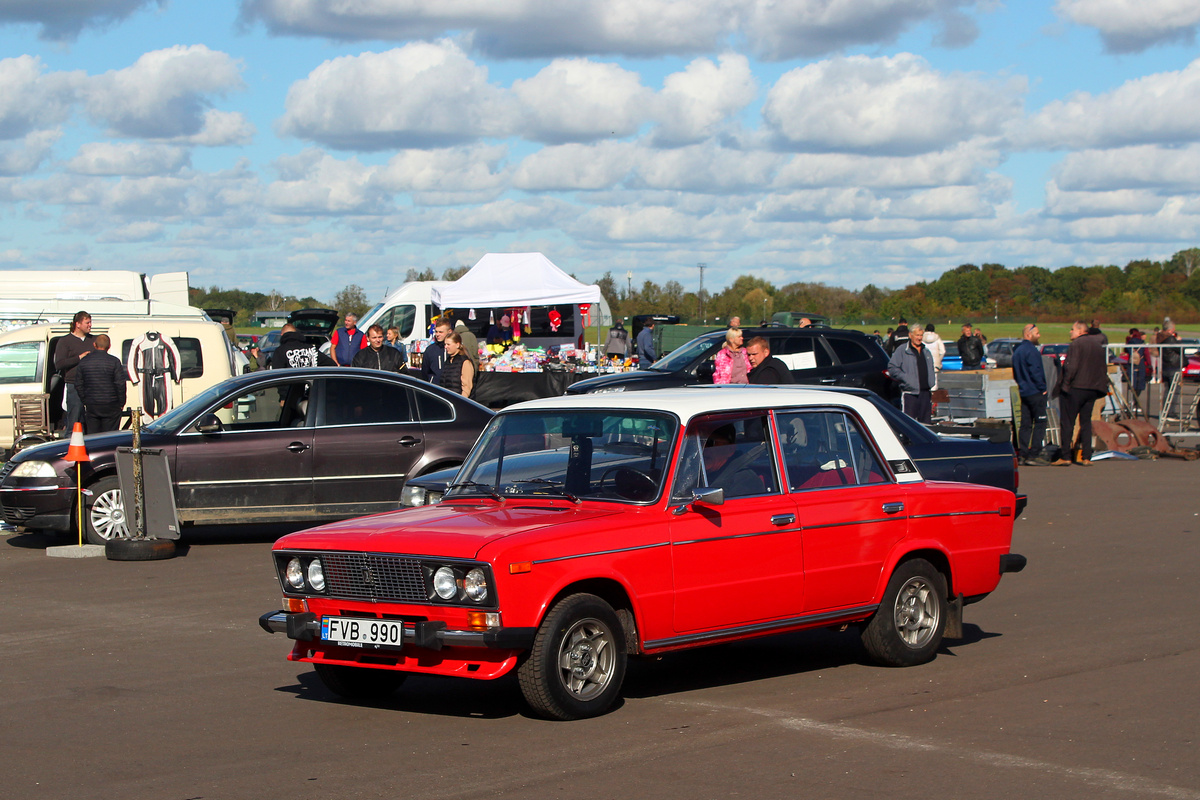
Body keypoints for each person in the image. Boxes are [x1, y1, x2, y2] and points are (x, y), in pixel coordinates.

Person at [1052, 321, 1108, 466]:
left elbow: (1072, 366)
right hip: (1092, 389)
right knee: (1086, 422)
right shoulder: (1097, 345)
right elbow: (1102, 368)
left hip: (1076, 387)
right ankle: (1086, 457)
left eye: (1072, 329)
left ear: (1080, 331)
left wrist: (1065, 386)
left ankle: (1065, 456)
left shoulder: (1076, 344)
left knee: (1067, 422)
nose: (1070, 332)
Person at [73, 334, 127, 434]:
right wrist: (121, 402)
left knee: (93, 436)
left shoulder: (84, 361)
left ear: (94, 344)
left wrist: (85, 399)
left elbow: (78, 383)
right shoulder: (114, 362)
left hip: (92, 404)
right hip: (111, 404)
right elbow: (120, 384)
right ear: (109, 346)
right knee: (110, 436)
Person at [1012, 324, 1049, 465]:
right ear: (1029, 334)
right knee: (1040, 422)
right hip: (1035, 391)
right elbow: (1036, 371)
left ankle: (1023, 453)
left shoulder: (1018, 351)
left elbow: (1016, 373)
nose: (1039, 336)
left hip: (1024, 391)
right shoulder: (1031, 351)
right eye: (1037, 333)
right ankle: (1034, 454)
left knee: (1025, 424)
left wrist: (1021, 384)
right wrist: (1042, 387)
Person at [53, 310, 96, 432]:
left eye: (90, 322)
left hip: (92, 384)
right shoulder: (65, 341)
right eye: (87, 322)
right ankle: (70, 444)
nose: (90, 325)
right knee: (74, 417)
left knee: (91, 418)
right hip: (74, 384)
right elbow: (59, 364)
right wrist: (79, 358)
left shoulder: (93, 340)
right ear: (78, 324)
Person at [887, 324, 936, 423]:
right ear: (910, 335)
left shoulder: (926, 352)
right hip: (910, 394)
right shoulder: (902, 350)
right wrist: (906, 378)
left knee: (926, 425)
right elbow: (892, 367)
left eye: (921, 335)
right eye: (917, 335)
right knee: (909, 424)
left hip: (926, 394)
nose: (919, 338)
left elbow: (931, 369)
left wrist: (931, 382)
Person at [1156, 317, 1181, 418]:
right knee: (1174, 390)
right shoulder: (1170, 339)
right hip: (1173, 366)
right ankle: (1170, 412)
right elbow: (1178, 349)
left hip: (1165, 366)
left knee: (1167, 390)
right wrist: (1179, 341)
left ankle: (1165, 411)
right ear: (1170, 330)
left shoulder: (1160, 338)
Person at [440, 332, 475, 397]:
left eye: (448, 344)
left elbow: (467, 387)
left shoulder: (465, 362)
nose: (445, 347)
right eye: (445, 344)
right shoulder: (447, 361)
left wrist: (460, 402)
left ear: (457, 345)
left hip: (460, 402)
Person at [420, 319, 451, 384]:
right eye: (436, 332)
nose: (437, 334)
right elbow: (425, 371)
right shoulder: (430, 350)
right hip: (434, 387)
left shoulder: (453, 349)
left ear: (449, 332)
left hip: (451, 387)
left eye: (441, 332)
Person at [1125, 328, 1148, 397]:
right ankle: (1136, 401)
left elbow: (1126, 351)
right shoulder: (1142, 343)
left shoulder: (1129, 343)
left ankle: (1132, 401)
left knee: (1132, 382)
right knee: (1140, 383)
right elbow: (1146, 354)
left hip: (1132, 363)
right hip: (1140, 363)